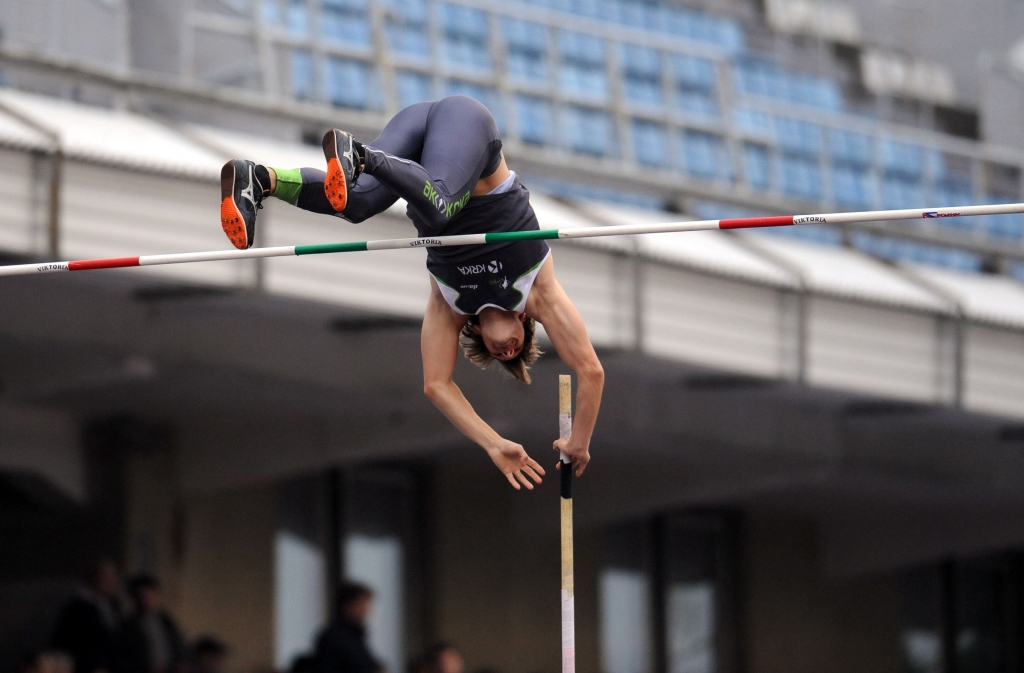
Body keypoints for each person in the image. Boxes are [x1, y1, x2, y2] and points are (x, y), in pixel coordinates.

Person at [219, 96, 604, 489]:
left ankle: (258, 180)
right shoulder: (538, 290)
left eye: (498, 355)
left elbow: (436, 384)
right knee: (441, 207)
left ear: (480, 340)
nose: (507, 351)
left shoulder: (450, 303)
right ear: (525, 323)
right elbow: (590, 370)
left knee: (357, 203)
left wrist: (494, 444)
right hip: (465, 125)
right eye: (517, 349)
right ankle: (362, 157)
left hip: (420, 143)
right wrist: (580, 442)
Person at [51, 559, 124, 673]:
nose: (110, 581)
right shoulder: (78, 606)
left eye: (112, 576)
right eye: (105, 576)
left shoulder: (112, 605)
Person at [119, 574, 185, 673]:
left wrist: (180, 663)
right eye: (142, 596)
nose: (147, 599)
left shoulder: (166, 621)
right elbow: (125, 656)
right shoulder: (129, 625)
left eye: (150, 594)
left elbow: (178, 647)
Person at [313, 581, 381, 673]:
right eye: (362, 605)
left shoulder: (356, 637)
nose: (366, 611)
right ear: (348, 606)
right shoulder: (334, 638)